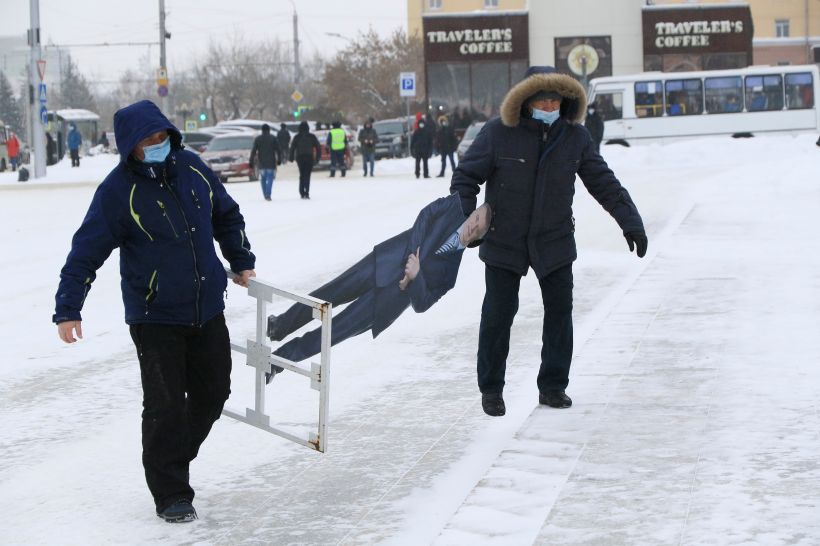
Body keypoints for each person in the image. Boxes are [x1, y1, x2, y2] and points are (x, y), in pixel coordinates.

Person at [52, 99, 256, 523]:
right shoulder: (117, 191)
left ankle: (170, 457)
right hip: (155, 315)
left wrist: (239, 257)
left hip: (206, 307)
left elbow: (226, 213)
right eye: (148, 140)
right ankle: (171, 492)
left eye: (162, 136)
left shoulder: (193, 167)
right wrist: (68, 307)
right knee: (164, 404)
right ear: (130, 146)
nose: (158, 144)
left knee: (214, 393)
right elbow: (85, 252)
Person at [450, 66, 647, 417]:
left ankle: (553, 386)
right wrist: (466, 219)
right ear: (526, 100)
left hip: (553, 239)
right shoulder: (498, 133)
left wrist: (630, 222)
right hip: (504, 240)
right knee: (497, 314)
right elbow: (466, 177)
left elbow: (603, 182)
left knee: (560, 313)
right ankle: (492, 389)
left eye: (556, 99)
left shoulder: (575, 137)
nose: (550, 104)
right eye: (543, 98)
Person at [264, 194, 491, 375]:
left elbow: (422, 304)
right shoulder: (452, 206)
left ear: (479, 237)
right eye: (476, 217)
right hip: (382, 263)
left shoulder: (450, 273)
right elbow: (424, 217)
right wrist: (412, 259)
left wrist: (415, 277)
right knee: (327, 295)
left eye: (479, 227)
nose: (473, 225)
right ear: (473, 212)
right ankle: (280, 325)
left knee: (333, 333)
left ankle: (279, 360)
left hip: (387, 303)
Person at [249, 123, 282, 201]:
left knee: (263, 179)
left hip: (262, 163)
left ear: (262, 130)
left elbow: (253, 151)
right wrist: (279, 160)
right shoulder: (273, 138)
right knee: (270, 178)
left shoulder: (258, 139)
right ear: (269, 130)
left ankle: (265, 194)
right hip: (271, 162)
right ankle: (268, 194)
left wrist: (251, 161)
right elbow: (278, 150)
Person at [290, 121, 322, 199]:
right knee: (307, 175)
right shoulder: (312, 136)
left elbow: (292, 148)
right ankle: (306, 192)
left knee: (302, 174)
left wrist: (291, 157)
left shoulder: (297, 137)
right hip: (309, 157)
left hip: (300, 157)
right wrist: (317, 157)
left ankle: (301, 192)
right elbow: (318, 147)